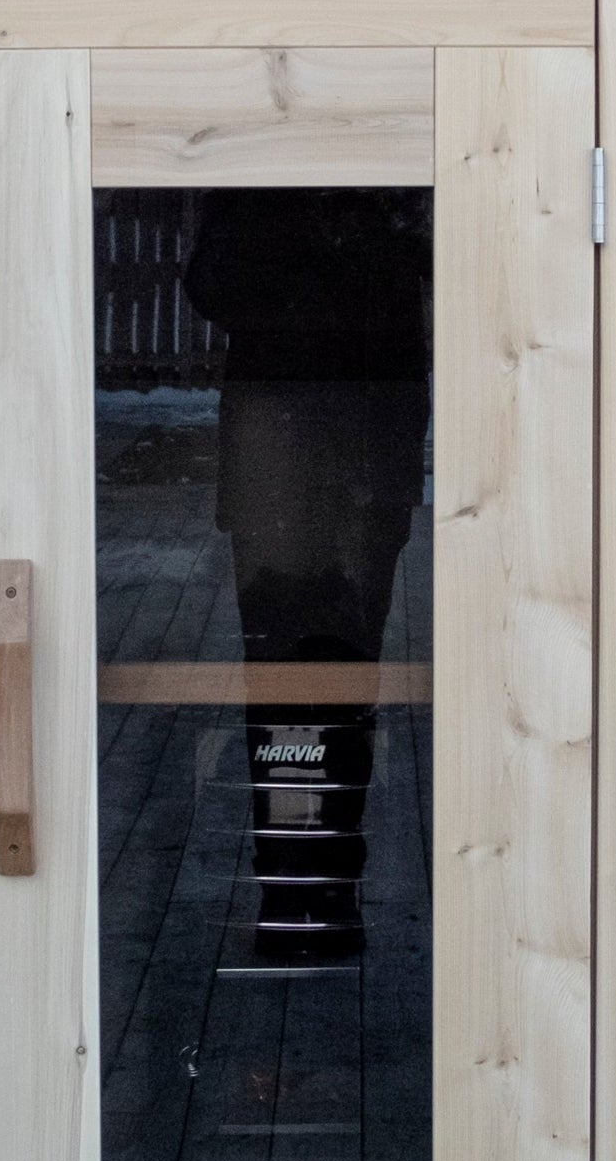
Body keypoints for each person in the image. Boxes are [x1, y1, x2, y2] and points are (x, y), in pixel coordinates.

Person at [177, 189, 430, 963]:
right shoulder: (270, 174)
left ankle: (326, 890)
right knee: (287, 677)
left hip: (363, 434)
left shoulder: (397, 179)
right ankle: (291, 891)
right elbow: (211, 284)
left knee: (346, 671)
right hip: (282, 442)